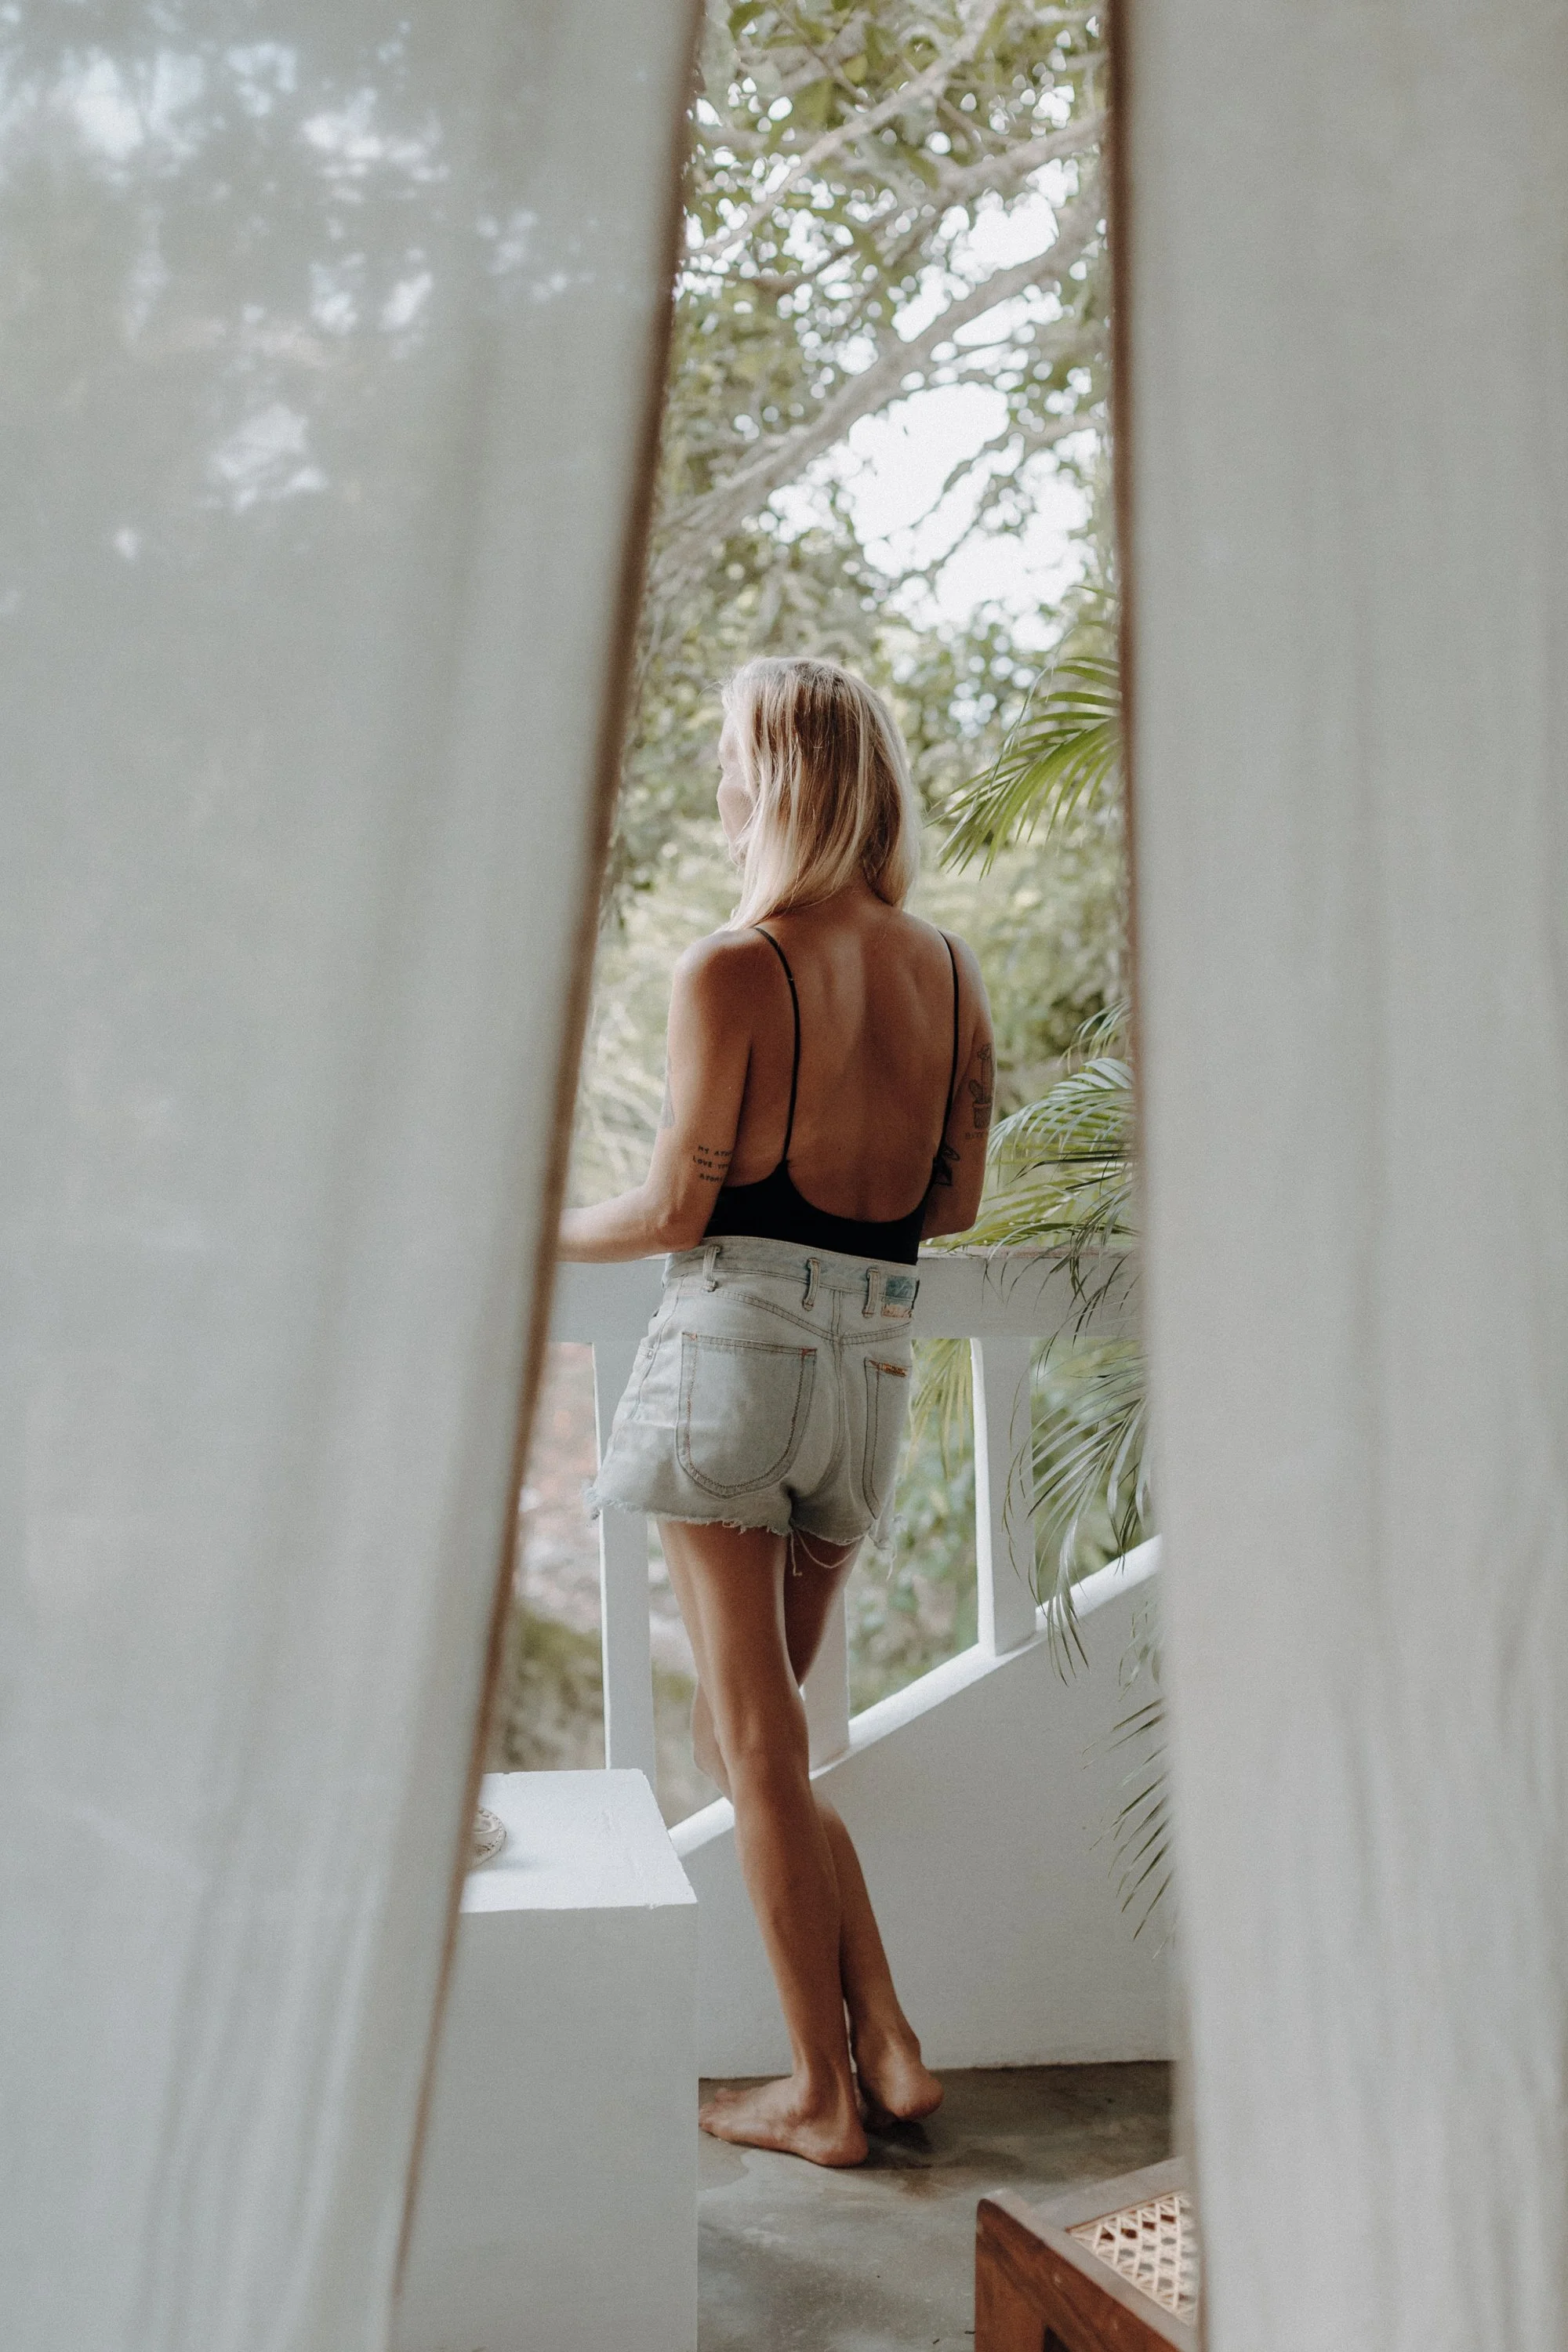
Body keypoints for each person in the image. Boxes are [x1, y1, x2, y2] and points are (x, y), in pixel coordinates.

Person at [557, 655, 994, 2166]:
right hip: (870, 1371)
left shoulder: (733, 965)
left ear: (782, 777)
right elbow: (956, 1198)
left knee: (751, 1746)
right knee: (771, 1741)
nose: (723, 788)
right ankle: (891, 2040)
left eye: (735, 761)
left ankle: (823, 2096)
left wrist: (522, 1226)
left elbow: (681, 1205)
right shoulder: (948, 969)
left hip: (738, 1345)